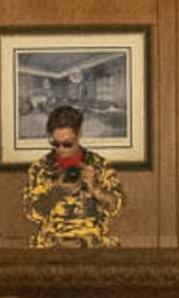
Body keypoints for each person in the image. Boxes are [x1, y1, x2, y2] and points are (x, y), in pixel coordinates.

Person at [22, 99, 125, 248]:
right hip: (51, 246)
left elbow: (116, 207)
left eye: (67, 144)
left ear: (79, 135)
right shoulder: (40, 168)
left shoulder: (99, 166)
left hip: (93, 246)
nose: (61, 149)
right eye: (55, 144)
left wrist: (95, 188)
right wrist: (57, 193)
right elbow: (32, 213)